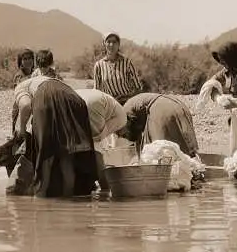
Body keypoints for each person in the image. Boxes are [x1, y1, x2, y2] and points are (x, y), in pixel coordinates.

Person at [14, 51, 99, 197]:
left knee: (46, 153)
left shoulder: (20, 87)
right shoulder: (54, 78)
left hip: (48, 95)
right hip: (75, 99)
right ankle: (69, 198)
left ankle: (39, 198)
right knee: (67, 153)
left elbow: (26, 106)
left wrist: (21, 130)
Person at [75, 88, 127, 191]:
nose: (122, 135)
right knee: (96, 145)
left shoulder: (114, 108)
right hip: (93, 102)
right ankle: (105, 187)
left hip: (73, 96)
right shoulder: (122, 120)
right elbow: (97, 141)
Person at [118, 93, 199, 158]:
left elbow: (136, 137)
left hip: (162, 111)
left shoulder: (124, 114)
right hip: (178, 105)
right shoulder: (133, 115)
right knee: (186, 150)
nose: (122, 137)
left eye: (122, 134)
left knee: (160, 151)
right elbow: (137, 139)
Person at [93, 32, 143, 105]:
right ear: (104, 44)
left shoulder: (127, 63)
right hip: (109, 105)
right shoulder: (99, 65)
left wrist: (127, 97)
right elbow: (96, 90)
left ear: (118, 44)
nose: (111, 45)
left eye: (114, 42)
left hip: (126, 103)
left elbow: (138, 88)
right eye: (109, 42)